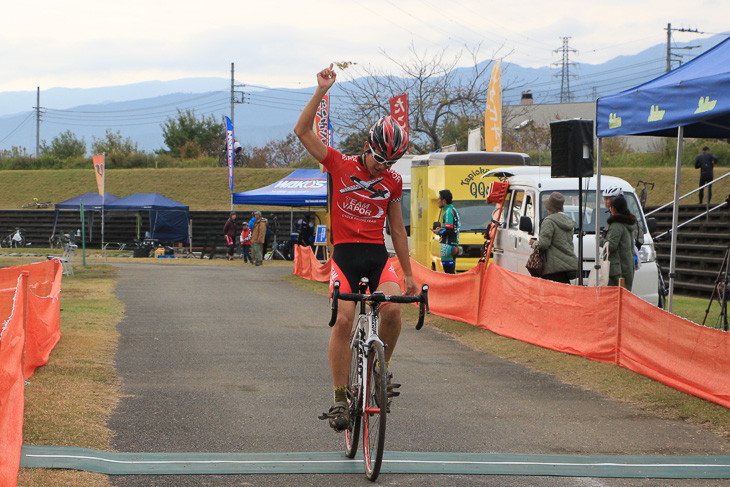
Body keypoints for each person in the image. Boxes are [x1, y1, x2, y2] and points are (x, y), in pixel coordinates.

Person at [294, 64, 417, 433]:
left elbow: (396, 229)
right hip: (345, 255)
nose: (384, 168)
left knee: (393, 311)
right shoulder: (339, 164)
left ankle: (380, 372)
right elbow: (301, 131)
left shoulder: (392, 181)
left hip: (378, 257)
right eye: (380, 159)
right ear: (368, 148)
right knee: (345, 320)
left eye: (391, 162)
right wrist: (321, 90)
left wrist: (408, 274)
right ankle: (337, 399)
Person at [529, 192, 578, 284]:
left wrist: (534, 243)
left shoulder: (549, 222)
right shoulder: (568, 221)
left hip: (552, 268)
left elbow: (544, 244)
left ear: (549, 209)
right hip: (566, 267)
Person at [600, 195, 636, 291]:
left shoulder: (616, 225)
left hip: (617, 270)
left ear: (614, 208)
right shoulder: (627, 224)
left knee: (614, 297)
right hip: (626, 267)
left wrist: (600, 239)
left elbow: (611, 246)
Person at [431, 189, 460, 274]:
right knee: (452, 274)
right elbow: (452, 227)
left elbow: (449, 229)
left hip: (447, 245)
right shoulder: (454, 210)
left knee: (448, 275)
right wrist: (440, 229)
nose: (438, 201)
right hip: (455, 244)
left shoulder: (447, 212)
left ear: (444, 200)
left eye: (439, 199)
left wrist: (438, 232)